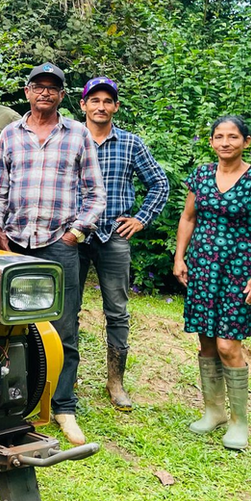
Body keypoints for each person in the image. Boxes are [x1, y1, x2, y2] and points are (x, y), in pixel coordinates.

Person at [0, 62, 106, 446]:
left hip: (60, 240)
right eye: (38, 87)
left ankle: (64, 406)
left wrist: (77, 231)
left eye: (52, 88)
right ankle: (18, 399)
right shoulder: (10, 134)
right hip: (16, 240)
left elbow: (95, 193)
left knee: (64, 325)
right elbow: (1, 187)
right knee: (9, 324)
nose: (45, 93)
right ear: (26, 92)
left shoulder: (76, 135)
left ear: (61, 95)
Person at [173, 116, 251, 451]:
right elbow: (188, 217)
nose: (225, 142)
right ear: (211, 142)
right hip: (203, 268)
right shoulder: (201, 176)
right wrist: (180, 257)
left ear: (246, 142)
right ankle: (214, 411)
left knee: (228, 346)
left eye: (233, 137)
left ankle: (239, 421)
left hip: (239, 270)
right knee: (206, 342)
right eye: (219, 136)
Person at [79, 76, 170, 411]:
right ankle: (66, 379)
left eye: (107, 101)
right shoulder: (72, 138)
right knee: (67, 309)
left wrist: (141, 218)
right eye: (95, 100)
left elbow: (159, 183)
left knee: (116, 311)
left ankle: (115, 381)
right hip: (75, 235)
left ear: (115, 106)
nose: (101, 106)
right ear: (83, 105)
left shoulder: (131, 143)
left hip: (114, 236)